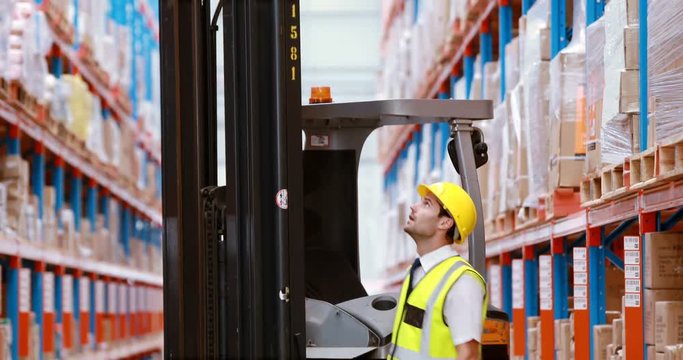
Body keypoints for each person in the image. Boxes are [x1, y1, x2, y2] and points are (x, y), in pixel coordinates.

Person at [388, 182, 488, 360]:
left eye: (426, 203)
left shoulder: (462, 282)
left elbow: (469, 355)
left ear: (445, 222)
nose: (413, 207)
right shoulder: (417, 272)